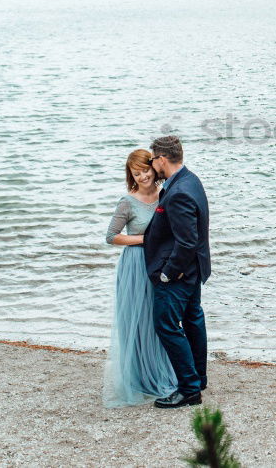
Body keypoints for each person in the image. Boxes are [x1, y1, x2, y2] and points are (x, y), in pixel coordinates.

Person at [102, 149, 178, 407]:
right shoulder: (127, 202)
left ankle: (160, 371)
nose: (143, 176)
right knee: (137, 321)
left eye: (145, 170)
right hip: (136, 265)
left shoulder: (165, 194)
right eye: (137, 173)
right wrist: (145, 240)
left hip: (160, 264)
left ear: (153, 168)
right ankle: (139, 377)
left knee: (158, 318)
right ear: (131, 176)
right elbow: (111, 236)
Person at [143, 135, 211, 409]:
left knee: (167, 326)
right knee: (193, 319)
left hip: (179, 273)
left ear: (161, 159)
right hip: (195, 269)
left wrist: (168, 273)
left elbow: (187, 241)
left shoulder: (179, 191)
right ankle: (198, 378)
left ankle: (189, 389)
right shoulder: (190, 179)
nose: (151, 165)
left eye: (152, 160)